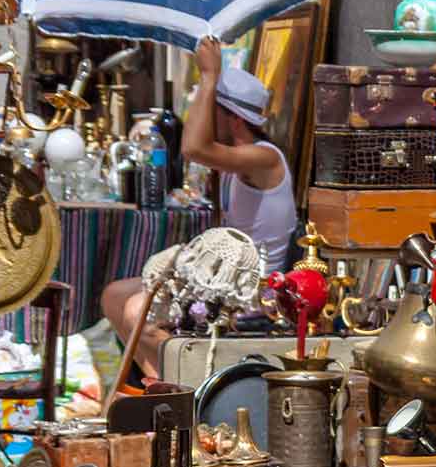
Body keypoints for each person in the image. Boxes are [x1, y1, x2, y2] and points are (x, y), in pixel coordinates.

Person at [102, 36, 294, 378]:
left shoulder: (265, 158)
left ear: (232, 118)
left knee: (137, 312)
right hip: (222, 280)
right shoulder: (235, 165)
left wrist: (209, 77)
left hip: (254, 294)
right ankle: (159, 383)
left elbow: (193, 149)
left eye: (208, 109)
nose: (199, 118)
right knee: (114, 296)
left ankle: (188, 386)